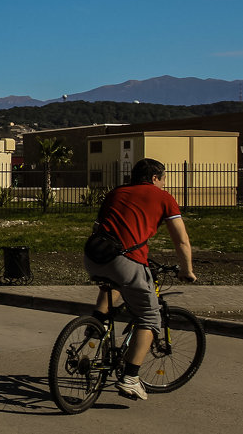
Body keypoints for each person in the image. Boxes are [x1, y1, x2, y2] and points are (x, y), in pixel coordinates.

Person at [84, 158, 196, 401]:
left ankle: (97, 325)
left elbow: (99, 226)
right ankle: (131, 378)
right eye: (163, 178)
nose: (164, 183)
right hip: (127, 259)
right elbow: (181, 240)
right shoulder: (163, 197)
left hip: (94, 256)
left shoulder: (116, 192)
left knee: (113, 282)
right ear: (155, 178)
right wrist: (187, 270)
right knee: (149, 316)